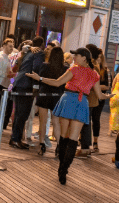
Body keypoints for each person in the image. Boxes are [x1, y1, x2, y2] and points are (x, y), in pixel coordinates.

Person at [26, 47, 109, 185]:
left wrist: (39, 78)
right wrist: (109, 96)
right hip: (82, 103)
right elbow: (100, 95)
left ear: (84, 58)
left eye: (76, 55)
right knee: (73, 139)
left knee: (64, 137)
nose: (74, 57)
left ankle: (61, 168)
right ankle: (64, 169)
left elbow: (57, 82)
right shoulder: (94, 74)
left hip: (68, 99)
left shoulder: (74, 69)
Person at [9, 36, 45, 150]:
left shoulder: (27, 51)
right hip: (27, 85)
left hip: (19, 83)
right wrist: (36, 86)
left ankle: (14, 138)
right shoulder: (39, 53)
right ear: (42, 44)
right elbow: (36, 69)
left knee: (19, 113)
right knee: (22, 114)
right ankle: (16, 139)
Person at [78, 44, 110, 157]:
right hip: (89, 99)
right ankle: (85, 146)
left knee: (86, 122)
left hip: (89, 99)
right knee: (86, 122)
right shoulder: (93, 65)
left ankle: (85, 148)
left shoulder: (92, 66)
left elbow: (93, 85)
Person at [35, 46, 66, 156]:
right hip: (57, 97)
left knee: (42, 122)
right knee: (56, 123)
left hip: (44, 95)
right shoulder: (65, 69)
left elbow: (40, 80)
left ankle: (42, 144)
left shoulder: (44, 66)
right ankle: (58, 146)